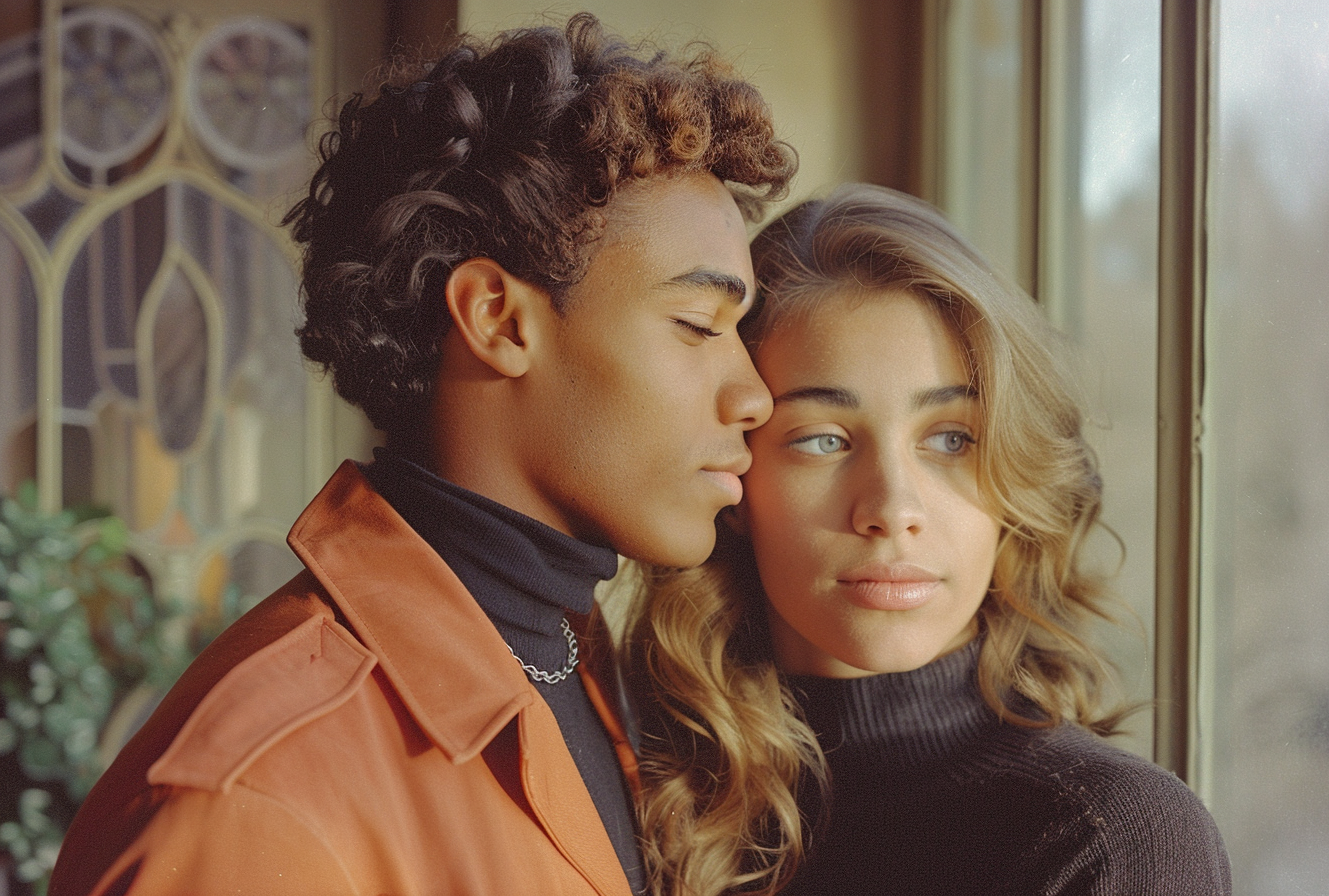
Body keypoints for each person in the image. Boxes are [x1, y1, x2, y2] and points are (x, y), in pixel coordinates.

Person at [49, 13, 793, 896]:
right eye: (698, 326)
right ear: (496, 319)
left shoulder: (583, 666)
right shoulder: (257, 800)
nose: (754, 395)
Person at [623, 184, 1233, 896]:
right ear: (736, 478)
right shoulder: (643, 791)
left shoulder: (1112, 838)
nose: (891, 508)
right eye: (823, 440)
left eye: (951, 439)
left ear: (1015, 473)